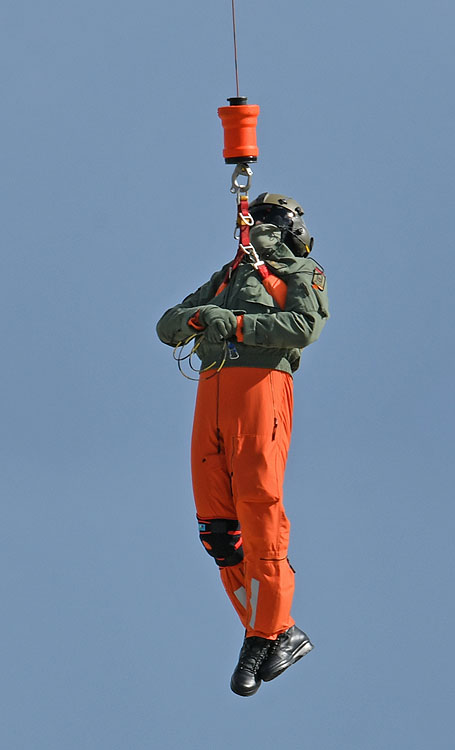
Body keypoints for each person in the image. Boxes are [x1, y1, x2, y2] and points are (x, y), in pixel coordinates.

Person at [156, 192, 329, 696]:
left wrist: (232, 323)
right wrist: (199, 318)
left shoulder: (300, 271)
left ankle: (263, 633)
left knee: (259, 509)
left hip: (260, 387)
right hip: (211, 389)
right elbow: (167, 325)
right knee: (217, 529)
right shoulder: (228, 275)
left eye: (269, 224)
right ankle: (276, 630)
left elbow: (304, 327)